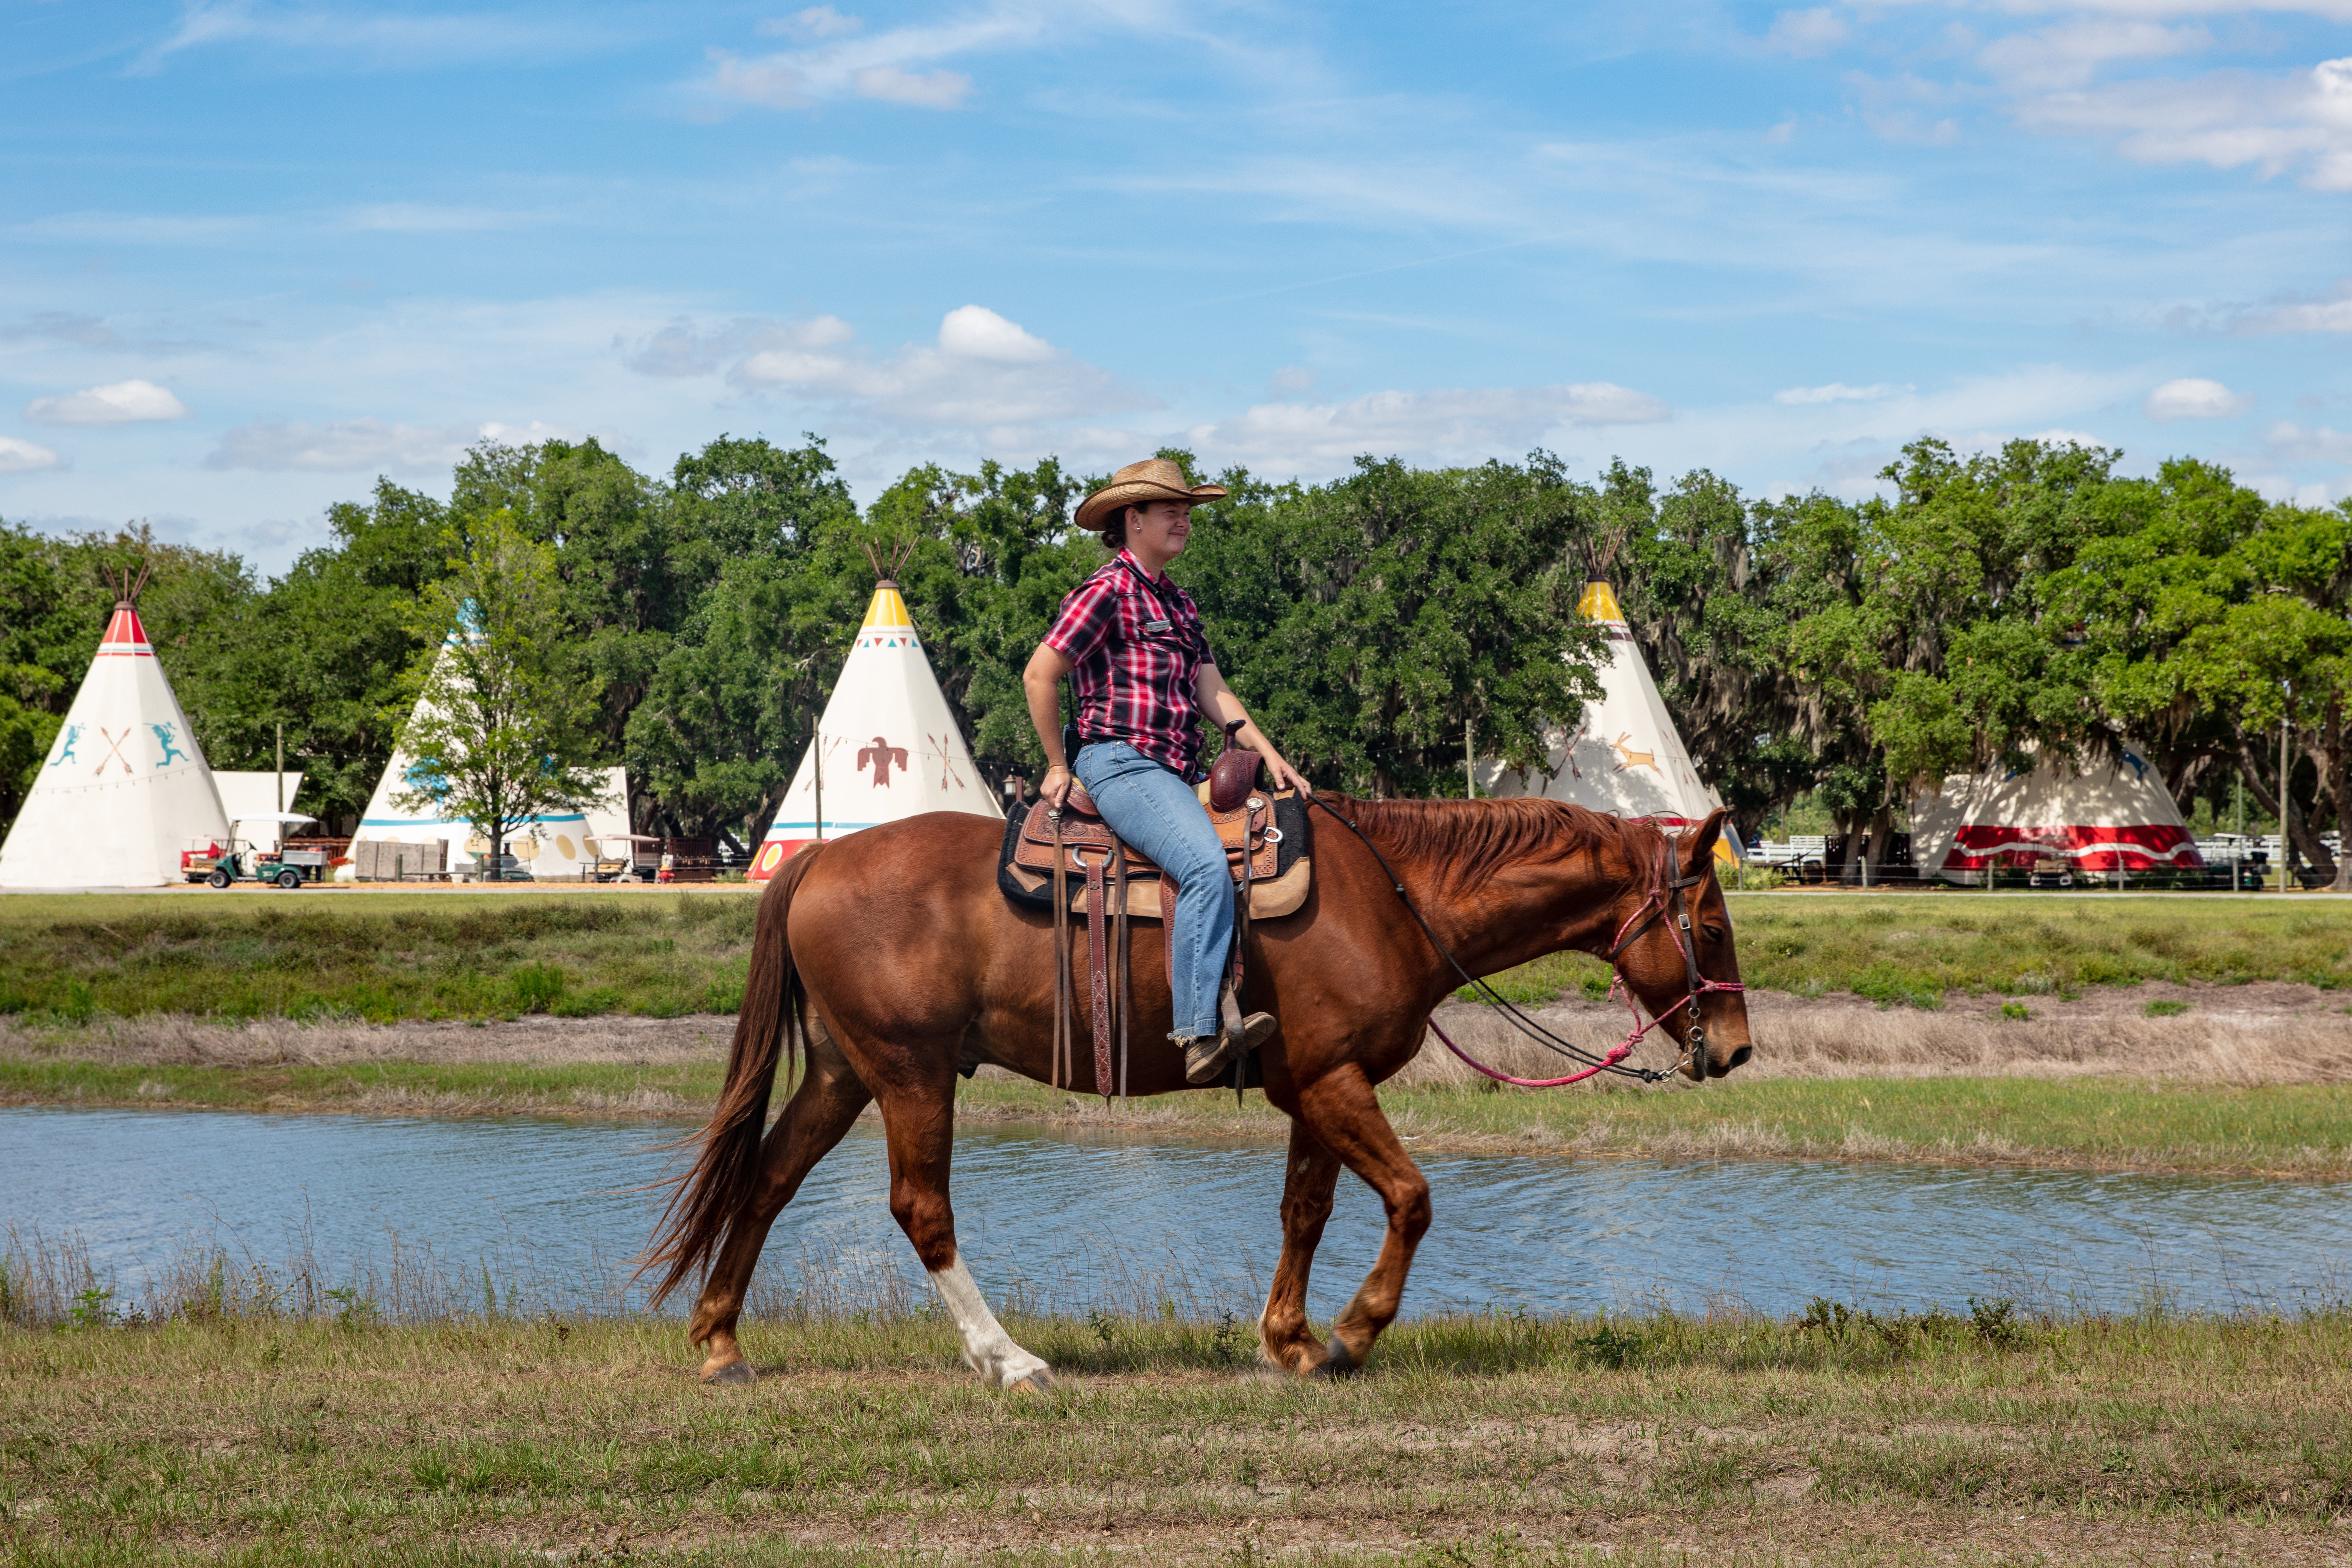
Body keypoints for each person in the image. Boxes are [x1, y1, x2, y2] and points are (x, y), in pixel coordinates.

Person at [1024, 458, 1312, 1086]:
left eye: (1187, 510)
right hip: (1121, 762)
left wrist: (1271, 755)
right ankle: (1198, 1033)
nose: (1184, 519)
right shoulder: (1107, 591)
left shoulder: (1179, 602)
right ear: (1133, 520)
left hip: (1174, 772)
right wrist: (1055, 764)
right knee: (1205, 865)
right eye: (1170, 509)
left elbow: (1215, 694)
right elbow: (1040, 675)